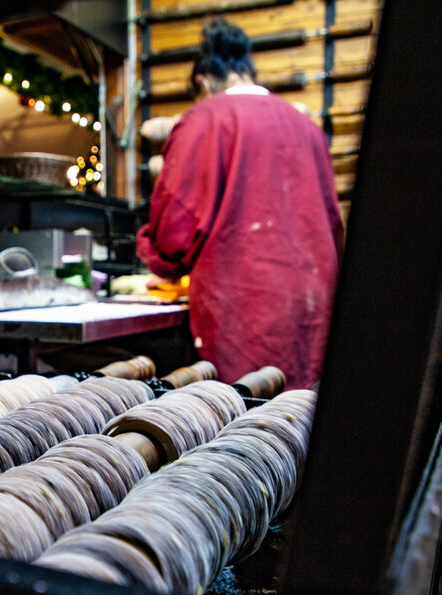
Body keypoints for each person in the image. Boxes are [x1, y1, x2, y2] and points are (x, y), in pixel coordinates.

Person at [137, 19, 344, 390]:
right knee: (299, 427)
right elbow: (331, 226)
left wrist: (151, 251)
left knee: (244, 430)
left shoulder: (201, 121)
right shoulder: (307, 127)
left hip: (244, 315)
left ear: (202, 82)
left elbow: (174, 236)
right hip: (315, 311)